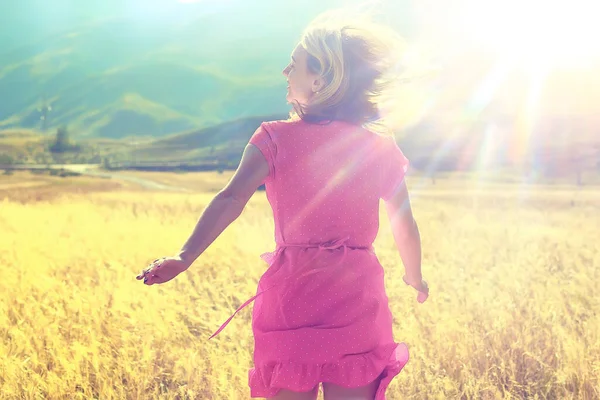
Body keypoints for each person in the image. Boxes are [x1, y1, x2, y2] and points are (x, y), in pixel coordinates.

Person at [136, 11, 429, 400]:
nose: (284, 71)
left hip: (293, 299)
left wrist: (184, 256)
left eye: (295, 64)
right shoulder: (377, 146)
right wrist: (414, 274)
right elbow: (403, 221)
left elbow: (231, 198)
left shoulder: (273, 138)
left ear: (320, 80)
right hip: (357, 299)